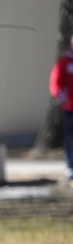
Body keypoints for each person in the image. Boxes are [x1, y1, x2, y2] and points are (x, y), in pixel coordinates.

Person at [49, 35, 73, 180]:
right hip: (69, 108)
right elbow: (55, 84)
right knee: (70, 138)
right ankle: (70, 165)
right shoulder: (63, 63)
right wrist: (63, 98)